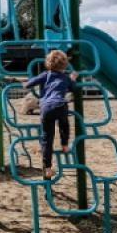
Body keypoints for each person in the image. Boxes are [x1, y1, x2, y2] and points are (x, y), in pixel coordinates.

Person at [23, 49, 79, 179]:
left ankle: (47, 167)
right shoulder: (65, 77)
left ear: (48, 63)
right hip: (60, 105)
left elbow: (29, 84)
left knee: (47, 138)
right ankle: (65, 145)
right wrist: (73, 79)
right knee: (64, 125)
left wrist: (24, 83)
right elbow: (74, 89)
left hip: (46, 107)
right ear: (65, 64)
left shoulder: (45, 75)